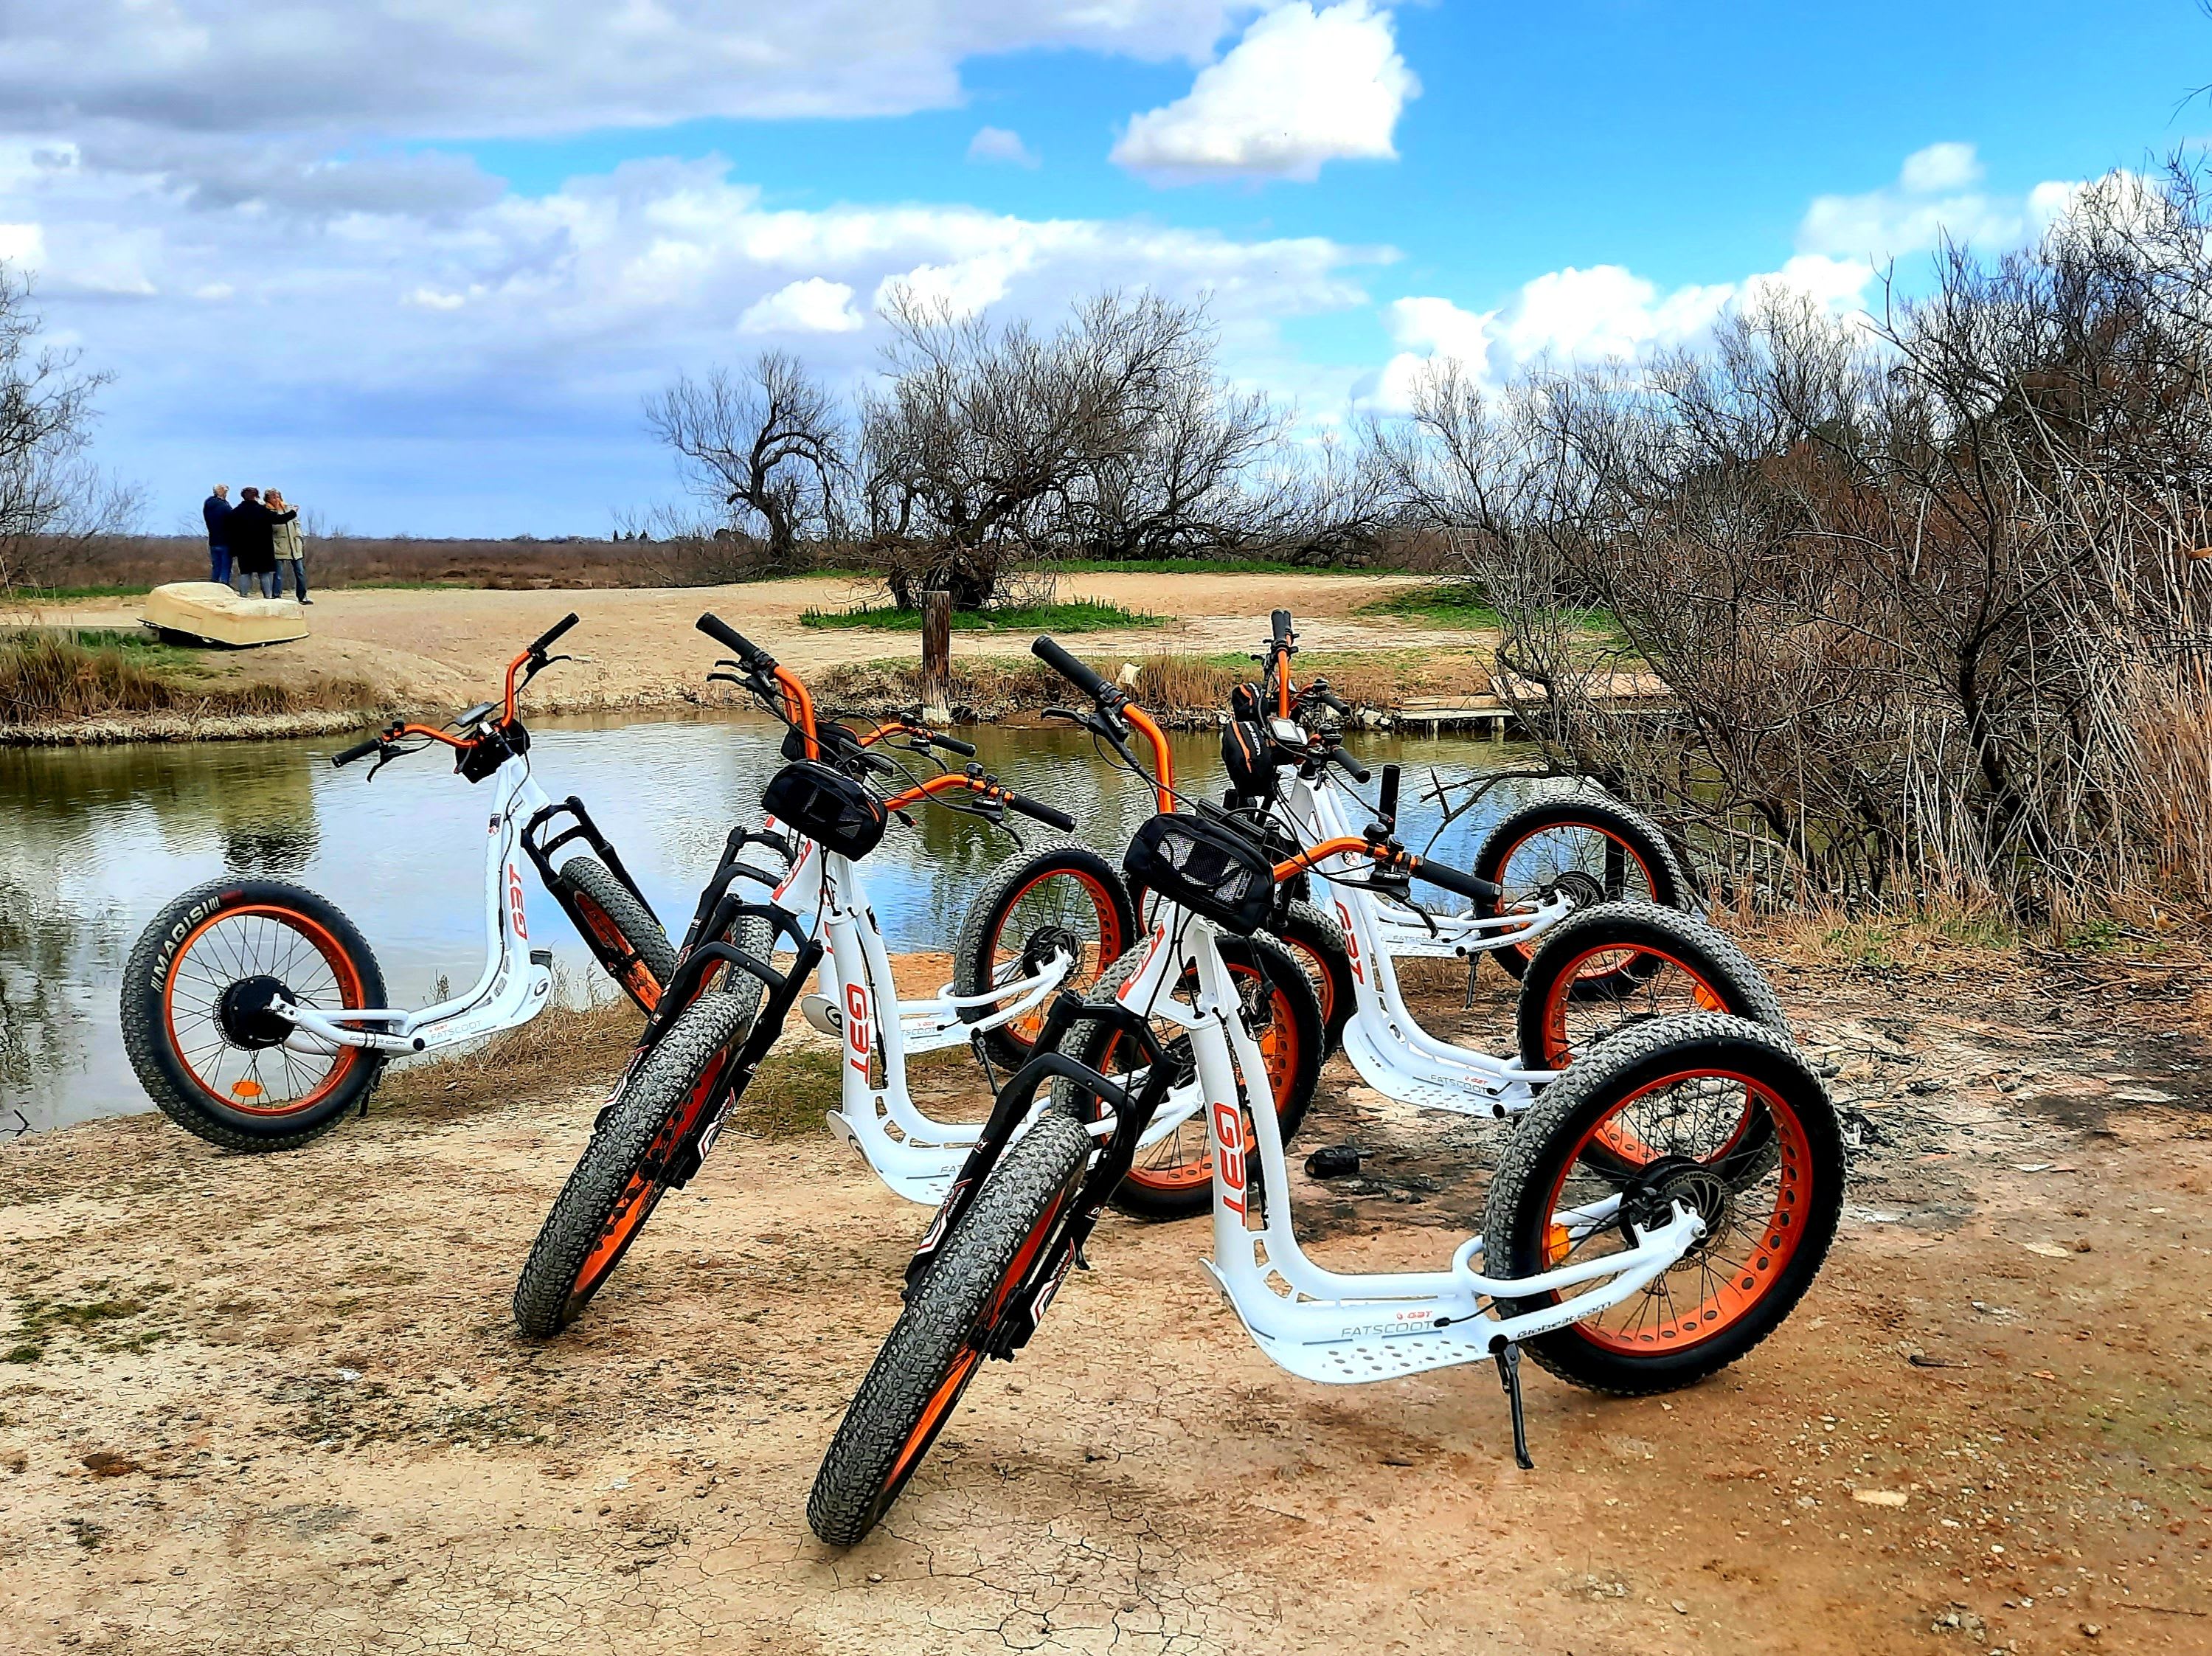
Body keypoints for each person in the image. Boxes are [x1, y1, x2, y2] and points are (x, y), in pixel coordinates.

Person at [221, 486, 295, 599]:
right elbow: (279, 520)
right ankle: (268, 597)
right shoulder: (262, 510)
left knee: (245, 573)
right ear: (256, 497)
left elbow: (229, 531)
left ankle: (243, 596)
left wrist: (234, 549)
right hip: (263, 548)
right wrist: (293, 512)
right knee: (264, 574)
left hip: (243, 549)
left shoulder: (235, 512)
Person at [266, 489, 311, 603]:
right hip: (279, 546)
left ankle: (302, 596)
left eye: (278, 497)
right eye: (273, 497)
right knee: (279, 574)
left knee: (300, 572)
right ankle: (277, 596)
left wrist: (299, 536)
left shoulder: (288, 509)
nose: (277, 500)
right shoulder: (268, 511)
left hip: (294, 546)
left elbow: (297, 524)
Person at [201, 485, 233, 586]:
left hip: (213, 539)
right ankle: (224, 585)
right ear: (222, 492)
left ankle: (214, 584)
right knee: (225, 565)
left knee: (216, 565)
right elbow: (232, 519)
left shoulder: (208, 505)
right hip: (225, 540)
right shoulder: (224, 506)